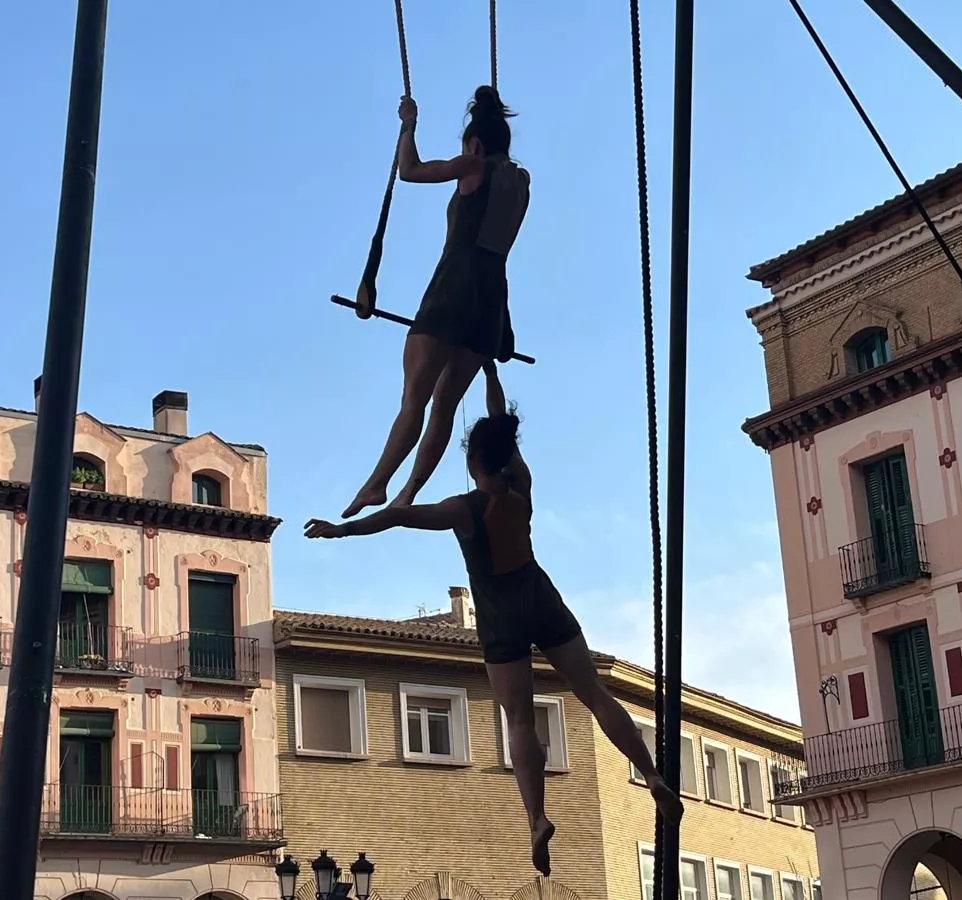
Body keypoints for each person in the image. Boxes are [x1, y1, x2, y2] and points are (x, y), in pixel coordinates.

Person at [307, 363, 684, 877]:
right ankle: (653, 775)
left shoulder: (464, 508)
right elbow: (499, 417)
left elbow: (397, 515)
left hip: (501, 615)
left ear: (471, 459)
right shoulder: (521, 485)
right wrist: (485, 365)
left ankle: (536, 818)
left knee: (521, 721)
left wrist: (341, 531)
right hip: (540, 593)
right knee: (594, 692)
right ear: (506, 454)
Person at [341, 84, 531, 519]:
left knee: (415, 399)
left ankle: (377, 484)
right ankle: (409, 490)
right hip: (491, 304)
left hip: (452, 291)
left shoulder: (473, 164)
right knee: (444, 406)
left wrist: (408, 124)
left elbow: (409, 170)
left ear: (476, 144)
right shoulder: (521, 182)